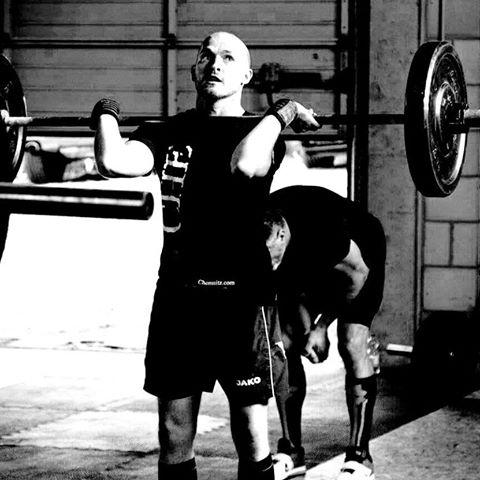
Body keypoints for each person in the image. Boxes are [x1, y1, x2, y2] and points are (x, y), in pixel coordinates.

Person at [91, 32, 320, 480]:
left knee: (251, 435)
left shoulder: (263, 133)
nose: (214, 64)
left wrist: (284, 111)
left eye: (228, 58)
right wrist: (106, 112)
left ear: (246, 76)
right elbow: (112, 162)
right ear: (195, 68)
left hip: (243, 301)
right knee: (173, 433)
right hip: (179, 299)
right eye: (206, 56)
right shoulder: (165, 132)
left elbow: (244, 164)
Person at [264, 185, 386, 480]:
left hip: (359, 257)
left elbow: (357, 277)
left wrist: (321, 327)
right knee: (286, 343)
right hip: (307, 262)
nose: (270, 264)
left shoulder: (325, 234)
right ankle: (292, 452)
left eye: (271, 256)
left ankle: (360, 457)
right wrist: (304, 329)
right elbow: (282, 283)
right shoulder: (261, 234)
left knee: (352, 342)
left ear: (281, 235)